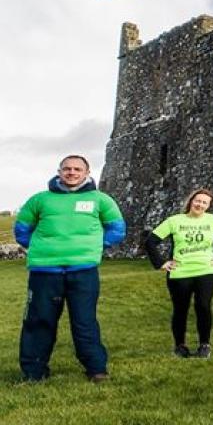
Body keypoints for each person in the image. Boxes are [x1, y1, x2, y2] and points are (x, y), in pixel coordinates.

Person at [14, 155, 125, 382]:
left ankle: (96, 369)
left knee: (84, 320)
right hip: (44, 272)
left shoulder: (101, 200)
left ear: (86, 172)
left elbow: (117, 229)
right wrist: (41, 248)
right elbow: (22, 230)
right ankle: (34, 372)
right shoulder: (39, 200)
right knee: (39, 320)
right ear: (59, 171)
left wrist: (94, 246)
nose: (71, 173)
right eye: (67, 169)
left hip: (83, 271)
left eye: (77, 169)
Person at [145, 188, 213, 360]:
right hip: (180, 273)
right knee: (180, 310)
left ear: (208, 206)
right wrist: (161, 263)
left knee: (203, 306)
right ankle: (180, 346)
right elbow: (151, 241)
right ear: (191, 201)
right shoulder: (174, 221)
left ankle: (204, 345)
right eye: (198, 200)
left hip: (206, 271)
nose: (200, 204)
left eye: (204, 203)